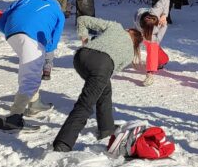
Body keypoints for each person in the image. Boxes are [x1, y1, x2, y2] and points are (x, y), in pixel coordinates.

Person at [52, 17, 143, 152]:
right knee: (86, 103)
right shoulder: (129, 54)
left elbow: (82, 19)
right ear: (136, 44)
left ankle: (106, 128)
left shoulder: (116, 26)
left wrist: (84, 39)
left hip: (80, 57)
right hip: (102, 66)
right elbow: (110, 72)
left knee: (105, 89)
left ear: (128, 30)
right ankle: (63, 142)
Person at [0, 0, 67, 126]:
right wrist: (46, 59)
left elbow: (1, 20)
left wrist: (11, 32)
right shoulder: (58, 12)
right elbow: (53, 41)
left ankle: (35, 104)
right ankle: (14, 117)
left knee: (30, 69)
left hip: (11, 32)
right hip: (32, 36)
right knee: (31, 77)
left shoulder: (25, 0)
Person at [134, 0, 170, 86]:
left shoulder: (155, 12)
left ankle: (158, 64)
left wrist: (164, 15)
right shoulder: (145, 31)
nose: (158, 25)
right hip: (142, 24)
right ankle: (154, 68)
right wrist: (163, 26)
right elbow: (156, 40)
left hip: (146, 16)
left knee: (153, 46)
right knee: (152, 46)